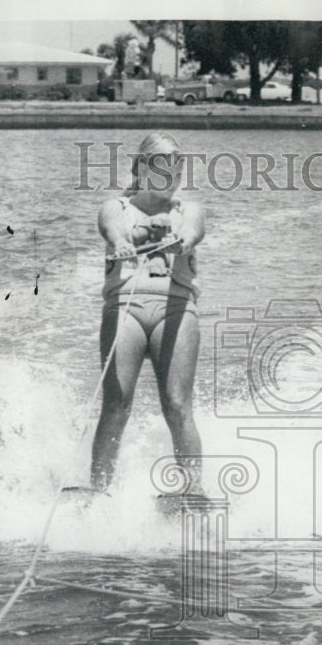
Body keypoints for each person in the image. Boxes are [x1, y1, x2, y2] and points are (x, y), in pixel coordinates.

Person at [91, 132, 205, 493]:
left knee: (175, 404)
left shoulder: (189, 211)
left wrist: (181, 242)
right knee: (116, 404)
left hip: (176, 310)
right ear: (142, 169)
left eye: (176, 174)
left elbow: (192, 233)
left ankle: (192, 491)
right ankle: (99, 490)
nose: (170, 181)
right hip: (126, 308)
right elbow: (112, 231)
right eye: (162, 173)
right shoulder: (116, 208)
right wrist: (123, 243)